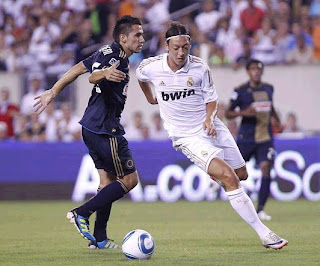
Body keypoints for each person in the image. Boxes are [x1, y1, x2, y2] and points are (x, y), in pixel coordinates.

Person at [136, 21, 287, 250]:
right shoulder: (151, 66)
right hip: (185, 136)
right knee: (229, 177)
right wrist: (150, 97)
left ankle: (215, 175)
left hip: (211, 126)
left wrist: (209, 119)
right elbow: (140, 76)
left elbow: (212, 100)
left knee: (241, 174)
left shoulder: (200, 67)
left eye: (185, 47)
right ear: (167, 46)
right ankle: (265, 234)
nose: (181, 53)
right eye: (176, 48)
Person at [34, 15, 145, 249]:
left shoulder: (107, 51)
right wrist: (104, 74)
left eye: (142, 34)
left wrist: (53, 91)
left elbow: (78, 69)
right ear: (123, 38)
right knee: (130, 179)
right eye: (137, 35)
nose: (142, 39)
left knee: (107, 181)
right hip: (106, 128)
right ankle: (81, 213)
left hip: (91, 126)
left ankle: (100, 240)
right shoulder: (115, 57)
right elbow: (93, 76)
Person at [225, 58, 282, 222]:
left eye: (259, 69)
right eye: (253, 69)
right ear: (248, 72)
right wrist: (243, 113)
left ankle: (261, 209)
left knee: (266, 168)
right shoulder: (240, 90)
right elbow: (228, 113)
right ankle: (220, 184)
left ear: (262, 71)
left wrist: (277, 119)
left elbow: (271, 107)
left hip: (265, 137)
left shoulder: (269, 88)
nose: (256, 72)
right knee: (237, 172)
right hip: (246, 138)